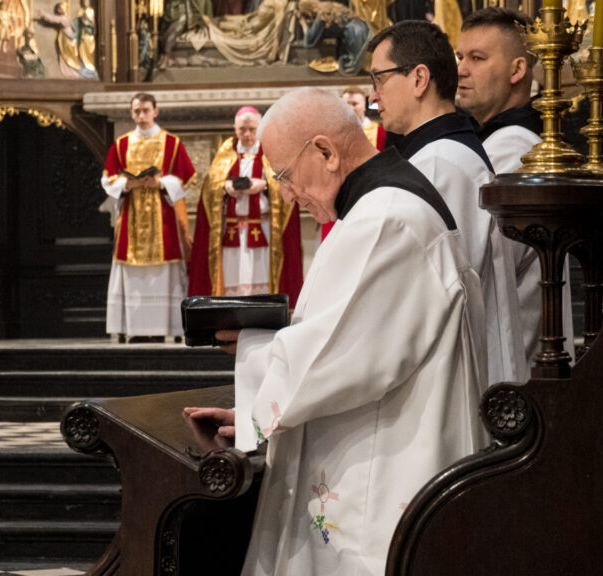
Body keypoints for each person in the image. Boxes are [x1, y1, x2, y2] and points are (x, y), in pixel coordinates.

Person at [185, 87, 487, 576]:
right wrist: (253, 410)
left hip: (377, 478)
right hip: (365, 453)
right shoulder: (376, 210)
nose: (285, 195)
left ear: (325, 152)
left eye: (283, 175)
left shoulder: (387, 218)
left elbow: (335, 358)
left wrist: (250, 346)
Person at [367, 19, 527, 385]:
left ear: (419, 79)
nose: (373, 95)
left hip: (458, 375)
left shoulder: (442, 164)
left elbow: (437, 290)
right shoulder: (437, 156)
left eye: (379, 78)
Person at [456, 6, 575, 366]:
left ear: (517, 70)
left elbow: (474, 263)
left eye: (477, 58)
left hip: (513, 364)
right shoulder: (498, 143)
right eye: (460, 56)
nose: (461, 69)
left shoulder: (513, 151)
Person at [101, 93, 196, 343]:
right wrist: (126, 184)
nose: (140, 116)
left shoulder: (172, 143)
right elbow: (108, 178)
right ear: (131, 114)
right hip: (131, 220)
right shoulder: (121, 144)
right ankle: (133, 329)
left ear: (156, 111)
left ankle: (170, 329)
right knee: (132, 273)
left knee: (165, 272)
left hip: (163, 220)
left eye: (145, 110)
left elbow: (186, 177)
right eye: (136, 111)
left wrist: (161, 182)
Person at [189, 106, 304, 306]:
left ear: (260, 128)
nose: (247, 134)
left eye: (252, 129)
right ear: (235, 128)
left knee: (262, 280)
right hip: (231, 231)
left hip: (265, 230)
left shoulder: (271, 151)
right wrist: (224, 188)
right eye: (242, 129)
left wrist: (265, 186)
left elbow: (287, 187)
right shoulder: (226, 151)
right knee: (232, 279)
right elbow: (210, 188)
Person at [321, 86, 387, 239]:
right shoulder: (330, 136)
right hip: (338, 203)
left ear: (364, 104)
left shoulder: (380, 134)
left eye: (355, 104)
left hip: (371, 202)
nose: (350, 109)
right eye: (346, 105)